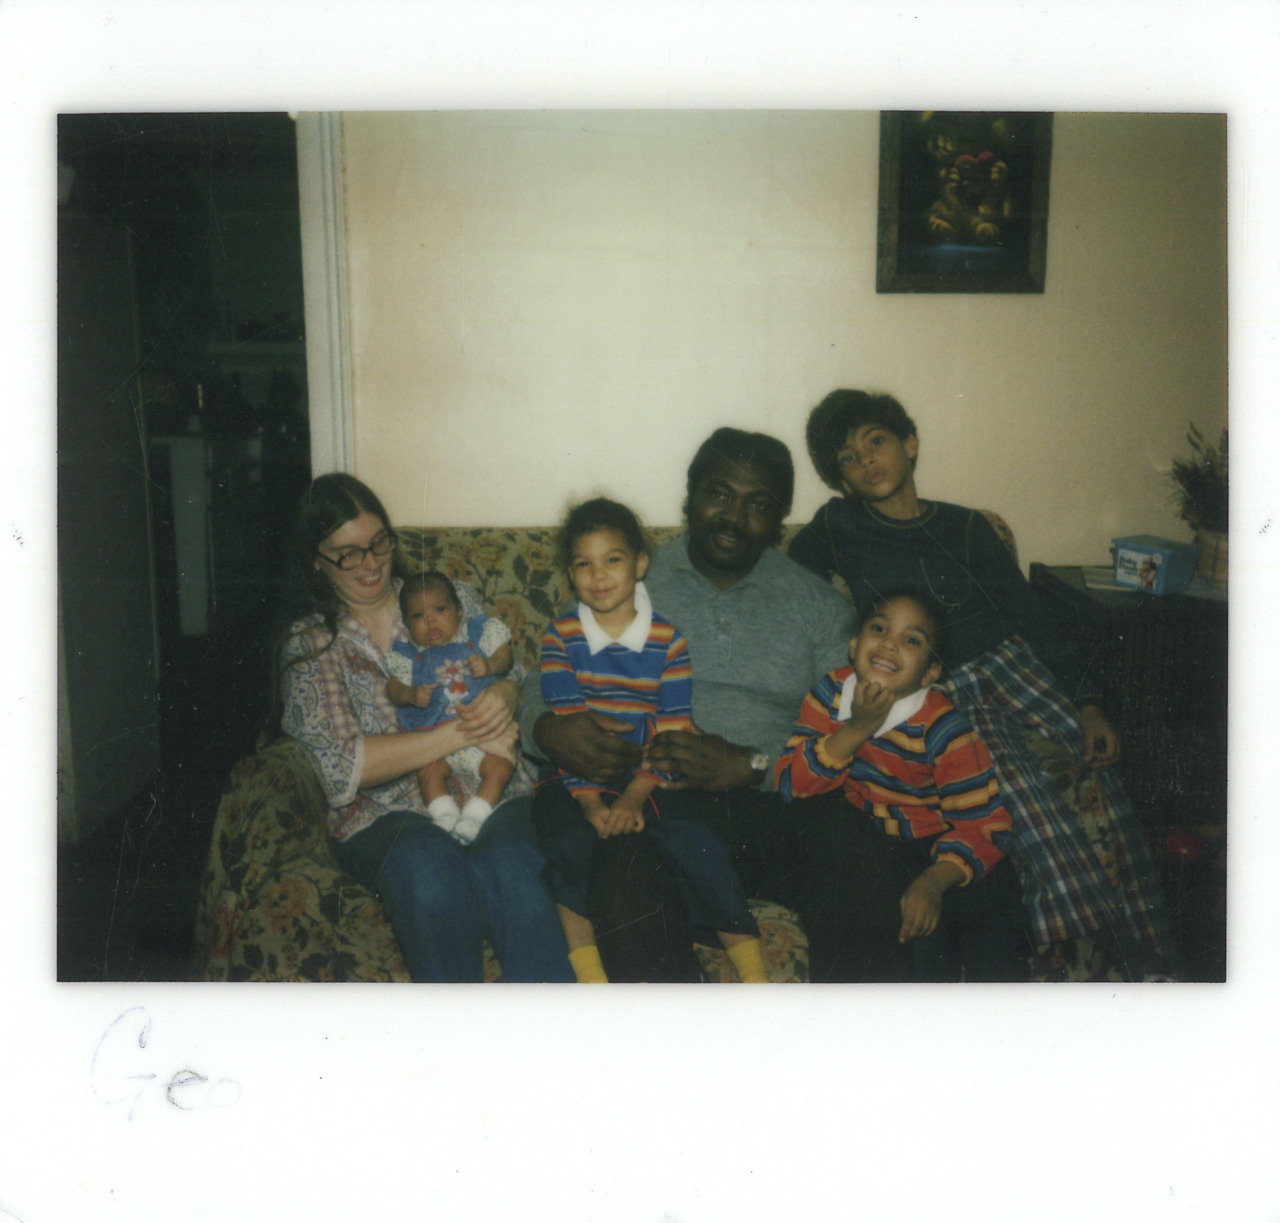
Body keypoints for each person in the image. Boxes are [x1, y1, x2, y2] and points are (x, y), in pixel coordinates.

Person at [788, 389, 1178, 980]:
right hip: (941, 687)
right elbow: (789, 586)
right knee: (1023, 799)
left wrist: (1089, 704)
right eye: (848, 457)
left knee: (1109, 793)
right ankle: (1066, 948)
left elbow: (1030, 615)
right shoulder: (838, 524)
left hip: (1012, 666)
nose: (867, 460)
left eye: (877, 441)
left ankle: (1150, 965)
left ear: (909, 444)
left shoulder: (967, 526)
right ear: (839, 479)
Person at [519, 428, 902, 983]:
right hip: (654, 803)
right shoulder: (619, 575)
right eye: (719, 494)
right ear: (690, 498)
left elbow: (847, 729)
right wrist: (553, 729)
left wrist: (751, 765)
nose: (733, 516)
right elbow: (542, 678)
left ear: (779, 520)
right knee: (619, 873)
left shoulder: (816, 604)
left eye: (759, 505)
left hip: (774, 810)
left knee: (854, 848)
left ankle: (853, 1050)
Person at [275, 472, 574, 983]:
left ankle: (549, 1043)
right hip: (387, 817)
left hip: (493, 789)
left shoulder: (445, 596)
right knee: (433, 876)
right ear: (316, 560)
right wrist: (457, 732)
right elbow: (339, 765)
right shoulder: (314, 644)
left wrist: (504, 690)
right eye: (347, 554)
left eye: (377, 543)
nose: (370, 564)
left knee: (515, 871)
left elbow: (512, 672)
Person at [533, 498, 767, 984]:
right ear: (570, 574)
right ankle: (592, 976)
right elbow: (571, 729)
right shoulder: (559, 638)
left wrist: (637, 795)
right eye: (584, 564)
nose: (598, 576)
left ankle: (755, 976)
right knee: (567, 846)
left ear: (640, 563)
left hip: (650, 771)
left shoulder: (669, 640)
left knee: (698, 840)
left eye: (612, 560)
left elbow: (672, 727)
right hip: (575, 777)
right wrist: (593, 806)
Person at [775, 590, 1030, 981]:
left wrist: (933, 881)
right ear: (854, 645)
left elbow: (986, 827)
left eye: (911, 640)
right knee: (906, 948)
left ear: (930, 673)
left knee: (993, 938)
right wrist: (858, 727)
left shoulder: (944, 729)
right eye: (879, 628)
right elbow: (792, 784)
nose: (890, 643)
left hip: (948, 849)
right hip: (875, 846)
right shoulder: (830, 695)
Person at [387, 569, 515, 844]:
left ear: (459, 610)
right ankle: (444, 815)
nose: (430, 619)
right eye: (418, 616)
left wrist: (491, 665)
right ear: (407, 625)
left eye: (440, 609)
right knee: (427, 772)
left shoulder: (478, 632)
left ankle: (475, 817)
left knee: (500, 768)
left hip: (483, 734)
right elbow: (392, 687)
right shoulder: (407, 653)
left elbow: (506, 653)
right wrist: (409, 693)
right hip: (435, 740)